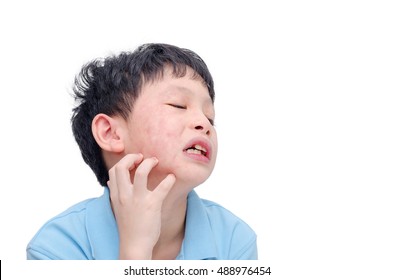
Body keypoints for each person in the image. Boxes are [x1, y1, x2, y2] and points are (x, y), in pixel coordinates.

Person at [26, 43, 258, 260]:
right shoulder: (56, 247)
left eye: (210, 118)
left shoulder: (234, 240)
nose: (204, 124)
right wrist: (135, 250)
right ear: (110, 133)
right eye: (178, 105)